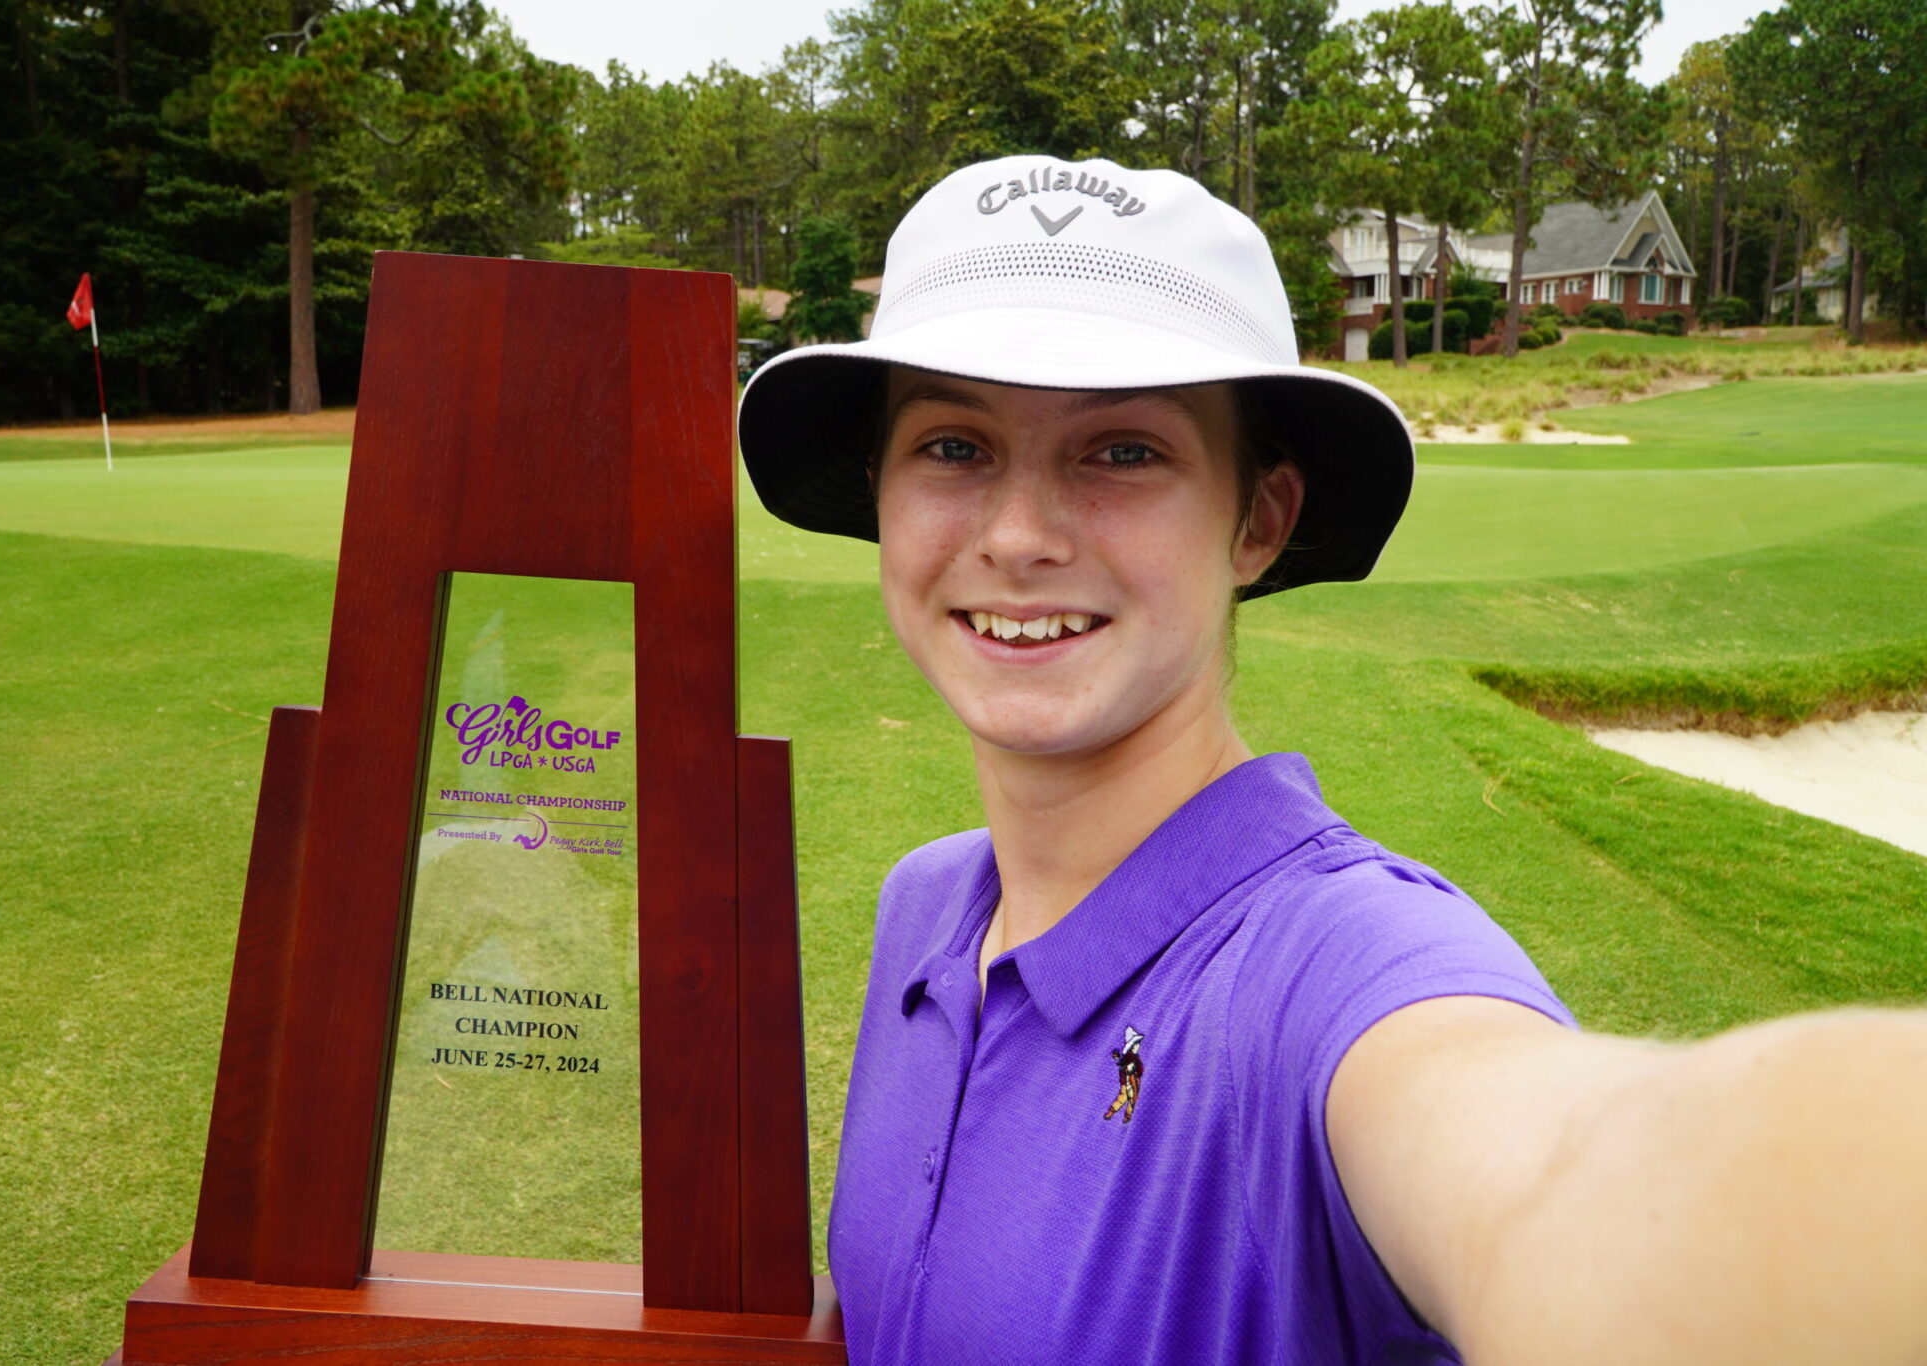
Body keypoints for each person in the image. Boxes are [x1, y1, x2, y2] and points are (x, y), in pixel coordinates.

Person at [736, 156, 1927, 1365]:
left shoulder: (1333, 970)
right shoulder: (925, 909)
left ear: (1256, 521)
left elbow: (1572, 1175)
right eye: (952, 444)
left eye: (1123, 452)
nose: (1019, 535)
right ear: (883, 494)